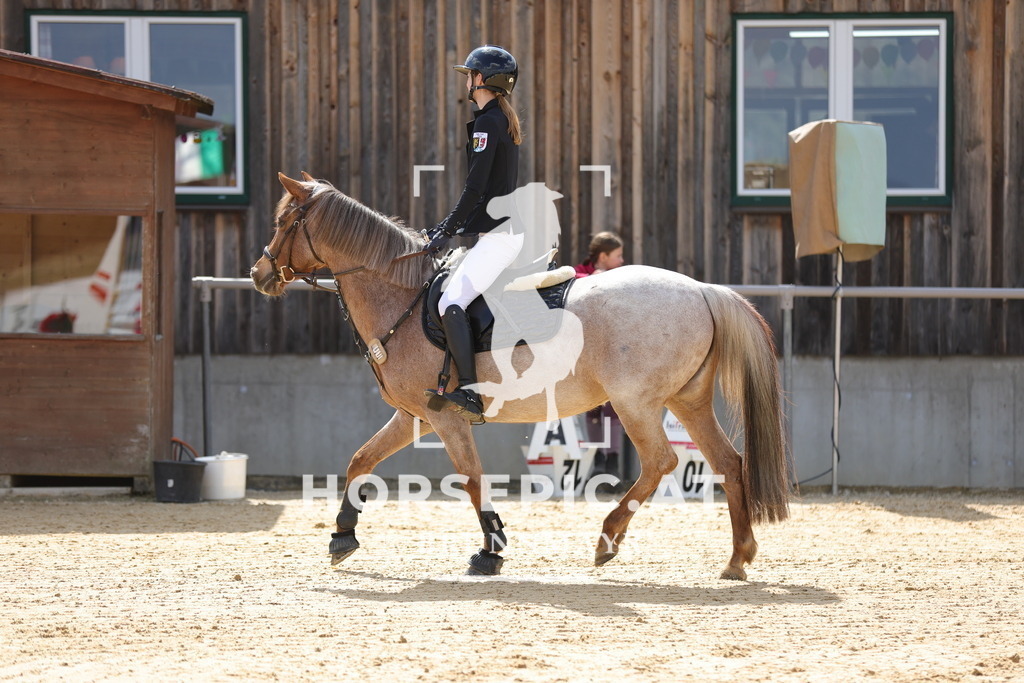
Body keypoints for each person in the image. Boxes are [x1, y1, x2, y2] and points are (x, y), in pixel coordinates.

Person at [424, 45, 523, 419]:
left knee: (450, 302)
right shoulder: (499, 119)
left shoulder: (488, 123)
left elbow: (475, 188)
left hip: (499, 237)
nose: (466, 80)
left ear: (482, 80)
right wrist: (447, 226)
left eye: (470, 74)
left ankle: (469, 391)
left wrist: (447, 229)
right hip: (501, 232)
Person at [573, 232, 626, 476]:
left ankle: (613, 459)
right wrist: (593, 278)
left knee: (612, 406)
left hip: (612, 348)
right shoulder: (578, 272)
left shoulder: (621, 278)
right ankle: (597, 460)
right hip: (583, 350)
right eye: (618, 256)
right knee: (591, 407)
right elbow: (573, 285)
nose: (622, 261)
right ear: (603, 256)